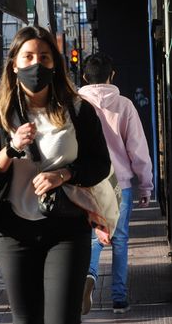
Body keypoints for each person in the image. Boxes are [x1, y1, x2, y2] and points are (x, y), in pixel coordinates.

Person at [0, 26, 111, 324]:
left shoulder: (77, 110)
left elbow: (101, 165)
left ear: (55, 64)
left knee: (61, 318)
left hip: (66, 228)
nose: (36, 65)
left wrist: (64, 174)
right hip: (14, 233)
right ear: (14, 64)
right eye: (29, 57)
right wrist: (10, 148)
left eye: (45, 57)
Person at [79, 52, 153, 315]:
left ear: (85, 77)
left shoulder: (76, 104)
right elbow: (138, 149)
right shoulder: (125, 105)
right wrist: (145, 185)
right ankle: (119, 299)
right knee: (120, 241)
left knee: (92, 240)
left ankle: (89, 276)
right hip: (120, 183)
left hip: (86, 183)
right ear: (112, 76)